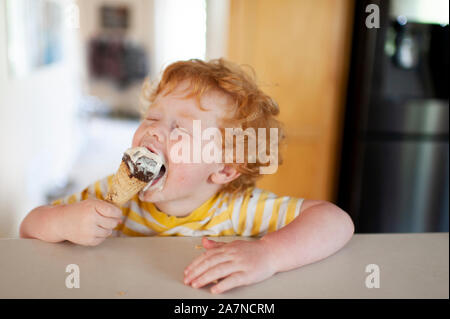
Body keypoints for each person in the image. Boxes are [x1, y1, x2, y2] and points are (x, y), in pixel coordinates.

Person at [19, 59, 354, 294]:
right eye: (152, 117)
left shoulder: (240, 208)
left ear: (223, 168)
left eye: (180, 128)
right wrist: (64, 222)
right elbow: (29, 228)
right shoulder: (111, 194)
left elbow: (335, 221)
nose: (154, 131)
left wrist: (269, 254)